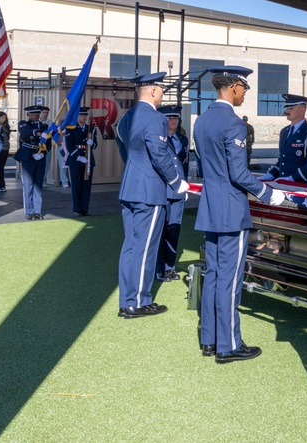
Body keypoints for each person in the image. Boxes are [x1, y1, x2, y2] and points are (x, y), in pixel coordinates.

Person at [194, 67, 285, 361]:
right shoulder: (232, 123)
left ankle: (210, 339)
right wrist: (269, 194)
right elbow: (239, 173)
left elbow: (205, 167)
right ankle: (229, 345)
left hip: (210, 206)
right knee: (230, 278)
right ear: (234, 86)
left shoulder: (201, 120)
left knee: (213, 274)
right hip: (231, 210)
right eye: (244, 87)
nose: (245, 93)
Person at [116, 72, 189, 319]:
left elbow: (123, 147)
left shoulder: (128, 117)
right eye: (162, 91)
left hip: (130, 186)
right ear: (154, 91)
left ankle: (127, 300)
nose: (162, 95)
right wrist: (176, 182)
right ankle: (138, 302)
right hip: (149, 191)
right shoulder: (156, 117)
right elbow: (159, 153)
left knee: (131, 245)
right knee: (145, 248)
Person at [155, 105, 188, 282]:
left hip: (178, 191)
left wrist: (185, 185)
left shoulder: (182, 139)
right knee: (161, 231)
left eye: (175, 117)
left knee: (174, 230)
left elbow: (183, 165)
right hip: (163, 190)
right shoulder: (158, 139)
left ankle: (169, 267)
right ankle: (158, 268)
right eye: (169, 118)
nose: (173, 121)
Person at [262, 94, 307, 183]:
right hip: (283, 184)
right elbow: (282, 160)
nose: (286, 111)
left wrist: (291, 179)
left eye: (291, 108)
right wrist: (269, 176)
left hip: (300, 185)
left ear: (302, 110)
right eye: (287, 108)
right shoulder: (284, 132)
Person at [13, 105, 49, 220]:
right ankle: (29, 211)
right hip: (28, 156)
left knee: (38, 185)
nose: (36, 116)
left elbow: (48, 143)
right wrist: (38, 133)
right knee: (28, 185)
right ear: (28, 114)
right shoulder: (24, 124)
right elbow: (25, 132)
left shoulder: (45, 126)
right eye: (33, 114)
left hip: (40, 156)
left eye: (37, 114)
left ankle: (37, 210)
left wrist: (43, 153)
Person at [64, 107, 97, 216]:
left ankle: (85, 208)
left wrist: (92, 143)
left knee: (86, 186)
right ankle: (77, 209)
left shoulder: (91, 129)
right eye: (81, 115)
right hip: (76, 160)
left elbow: (95, 145)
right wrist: (78, 157)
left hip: (88, 159)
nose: (84, 118)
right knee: (76, 185)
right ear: (77, 116)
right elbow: (69, 146)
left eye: (85, 116)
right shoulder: (71, 128)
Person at [0, 111, 12, 192]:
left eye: (5, 118)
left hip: (5, 149)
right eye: (2, 117)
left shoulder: (5, 127)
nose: (4, 119)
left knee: (1, 167)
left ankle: (1, 184)